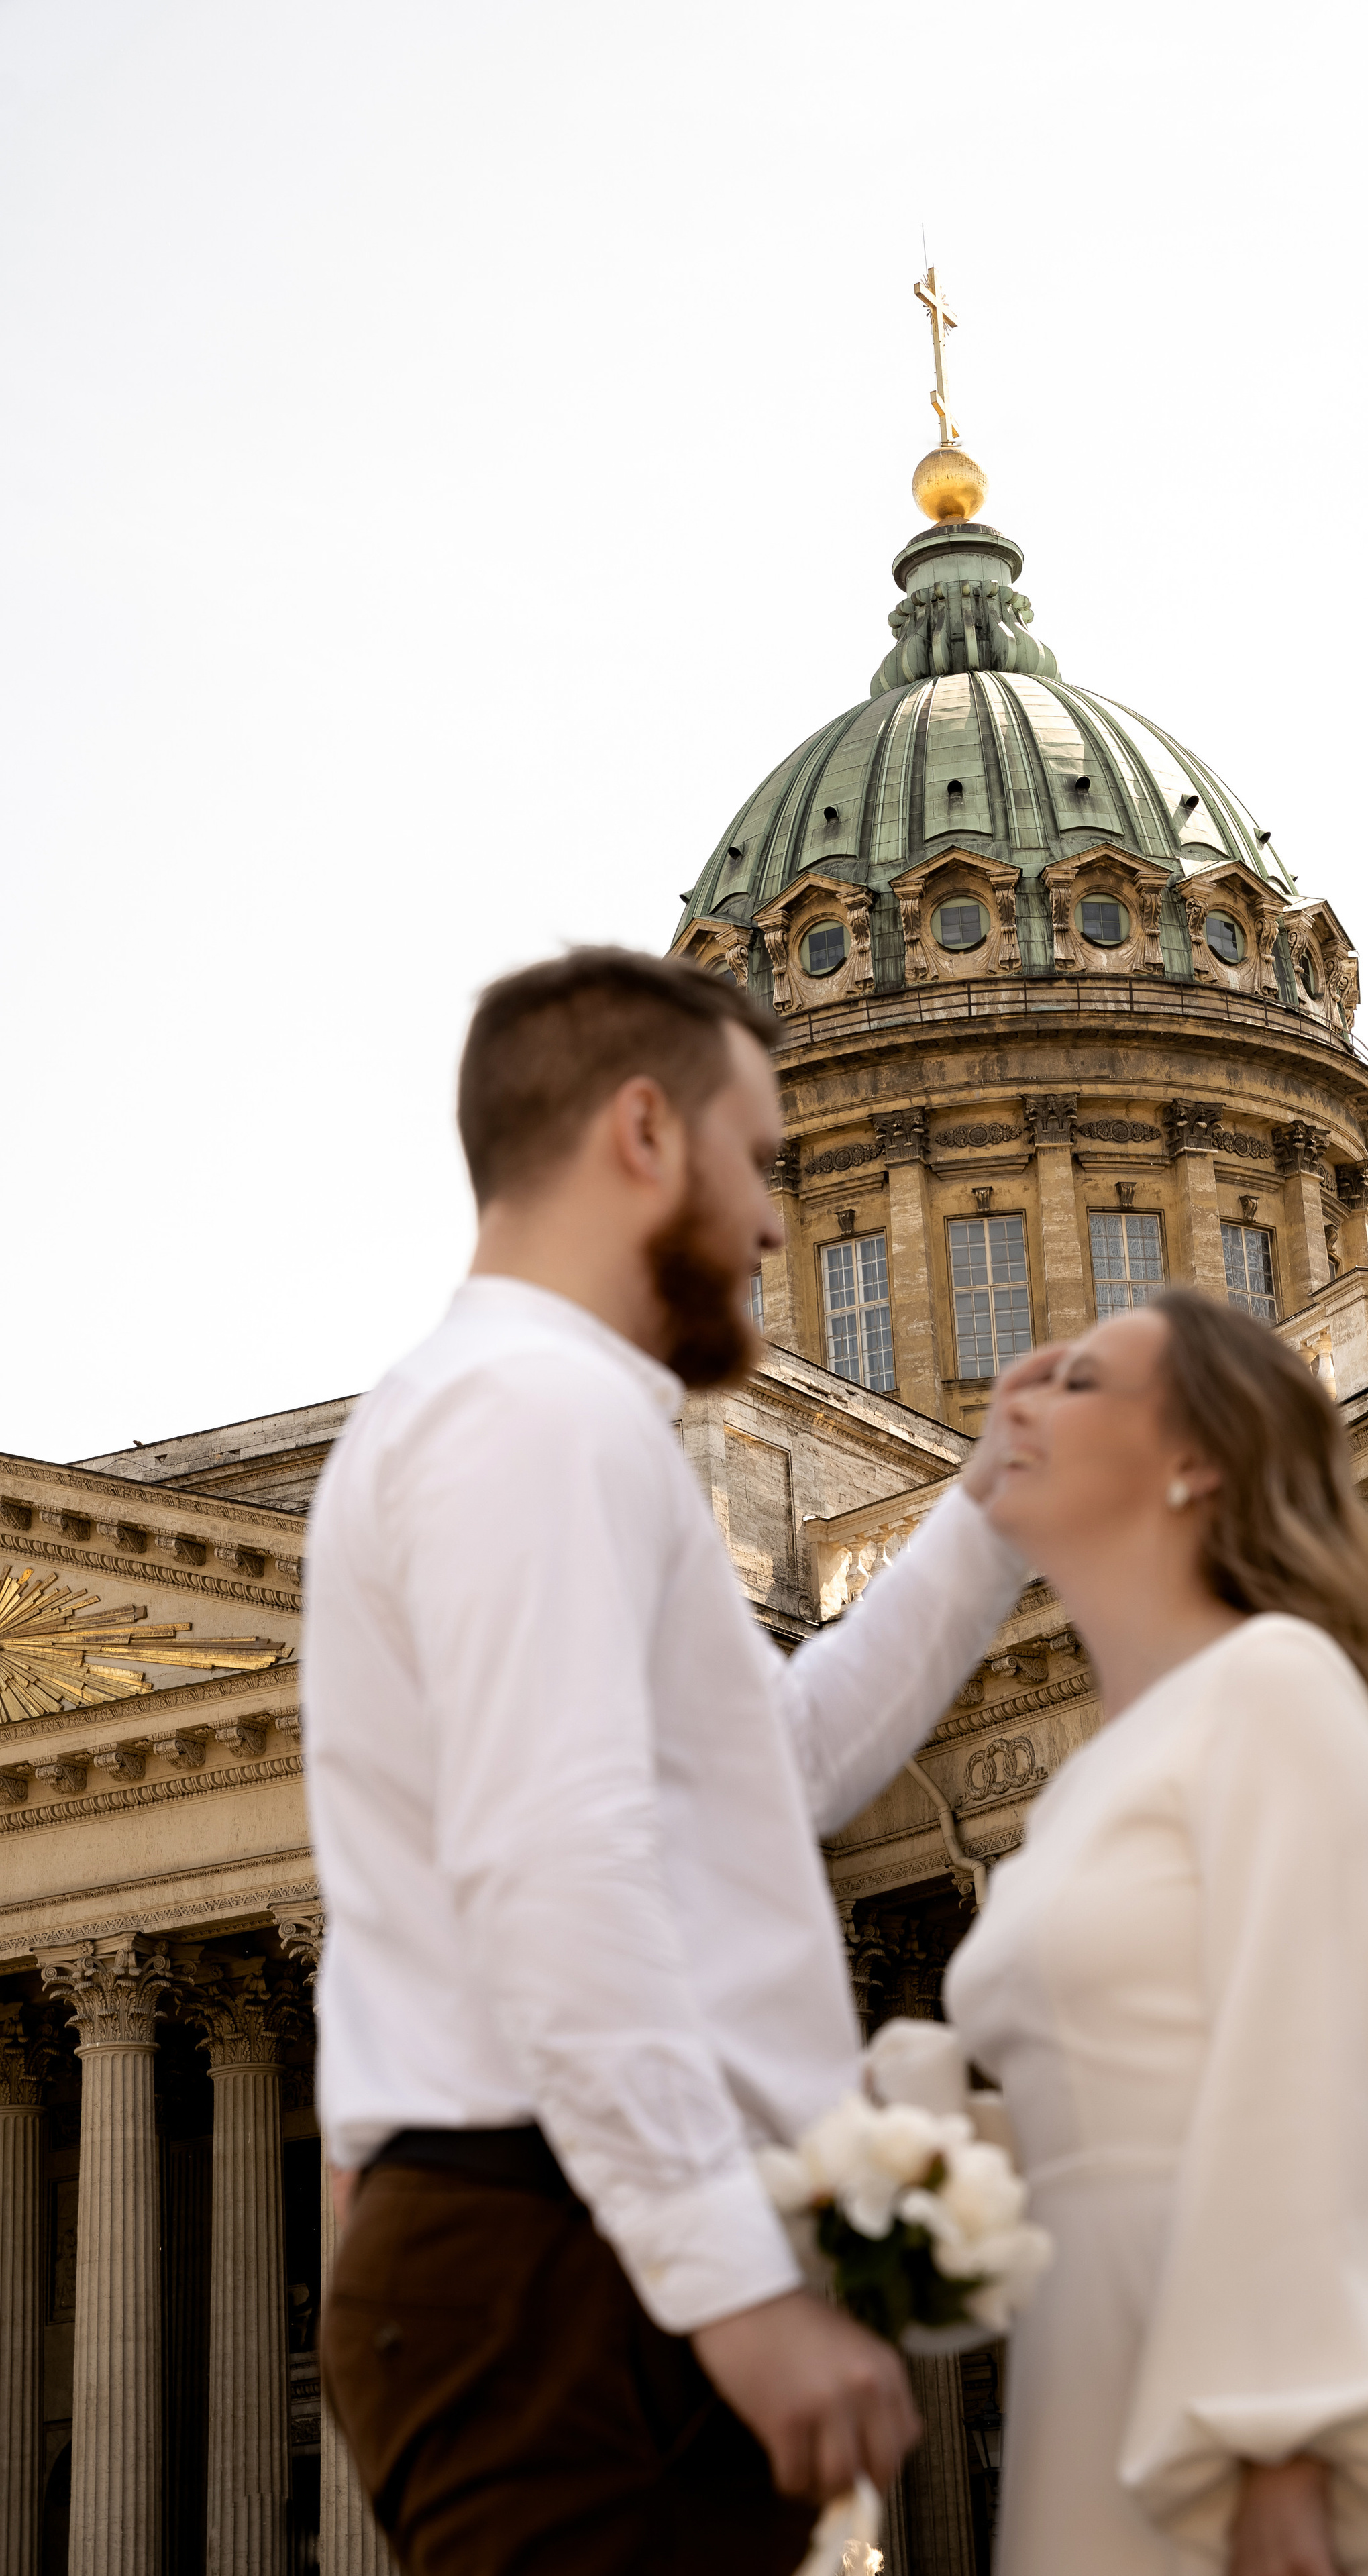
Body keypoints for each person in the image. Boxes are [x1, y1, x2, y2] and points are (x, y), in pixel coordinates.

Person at [304, 948, 1033, 2575]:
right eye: (759, 1159)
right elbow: (556, 1861)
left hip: (559, 2245)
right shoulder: (532, 1418)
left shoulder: (541, 1416)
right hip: (571, 2260)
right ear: (643, 1131)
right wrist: (736, 2288)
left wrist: (981, 1519)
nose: (777, 1223)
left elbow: (760, 1771)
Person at [945, 1289, 1368, 2576]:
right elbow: (1118, 2090)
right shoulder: (1088, 1783)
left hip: (1254, 2412)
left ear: (1196, 1460)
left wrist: (1288, 2448)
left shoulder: (1274, 1682)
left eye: (1082, 1381)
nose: (1015, 1399)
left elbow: (1313, 2064)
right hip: (1098, 2367)